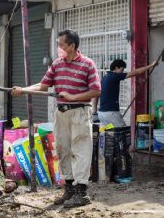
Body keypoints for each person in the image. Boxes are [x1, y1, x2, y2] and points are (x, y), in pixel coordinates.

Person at [11, 29, 101, 208]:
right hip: (61, 114)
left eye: (61, 44)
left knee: (81, 150)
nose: (58, 47)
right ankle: (69, 189)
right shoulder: (57, 64)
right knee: (62, 149)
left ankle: (81, 193)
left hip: (80, 112)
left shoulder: (88, 64)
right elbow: (43, 86)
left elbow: (96, 90)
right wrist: (23, 89)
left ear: (72, 46)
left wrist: (73, 97)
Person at [95, 59, 156, 127]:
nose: (122, 72)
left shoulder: (104, 78)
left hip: (101, 113)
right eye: (122, 69)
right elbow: (135, 72)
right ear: (116, 68)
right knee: (123, 133)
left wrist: (94, 112)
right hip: (111, 113)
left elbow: (96, 95)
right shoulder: (115, 76)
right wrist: (150, 66)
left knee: (109, 134)